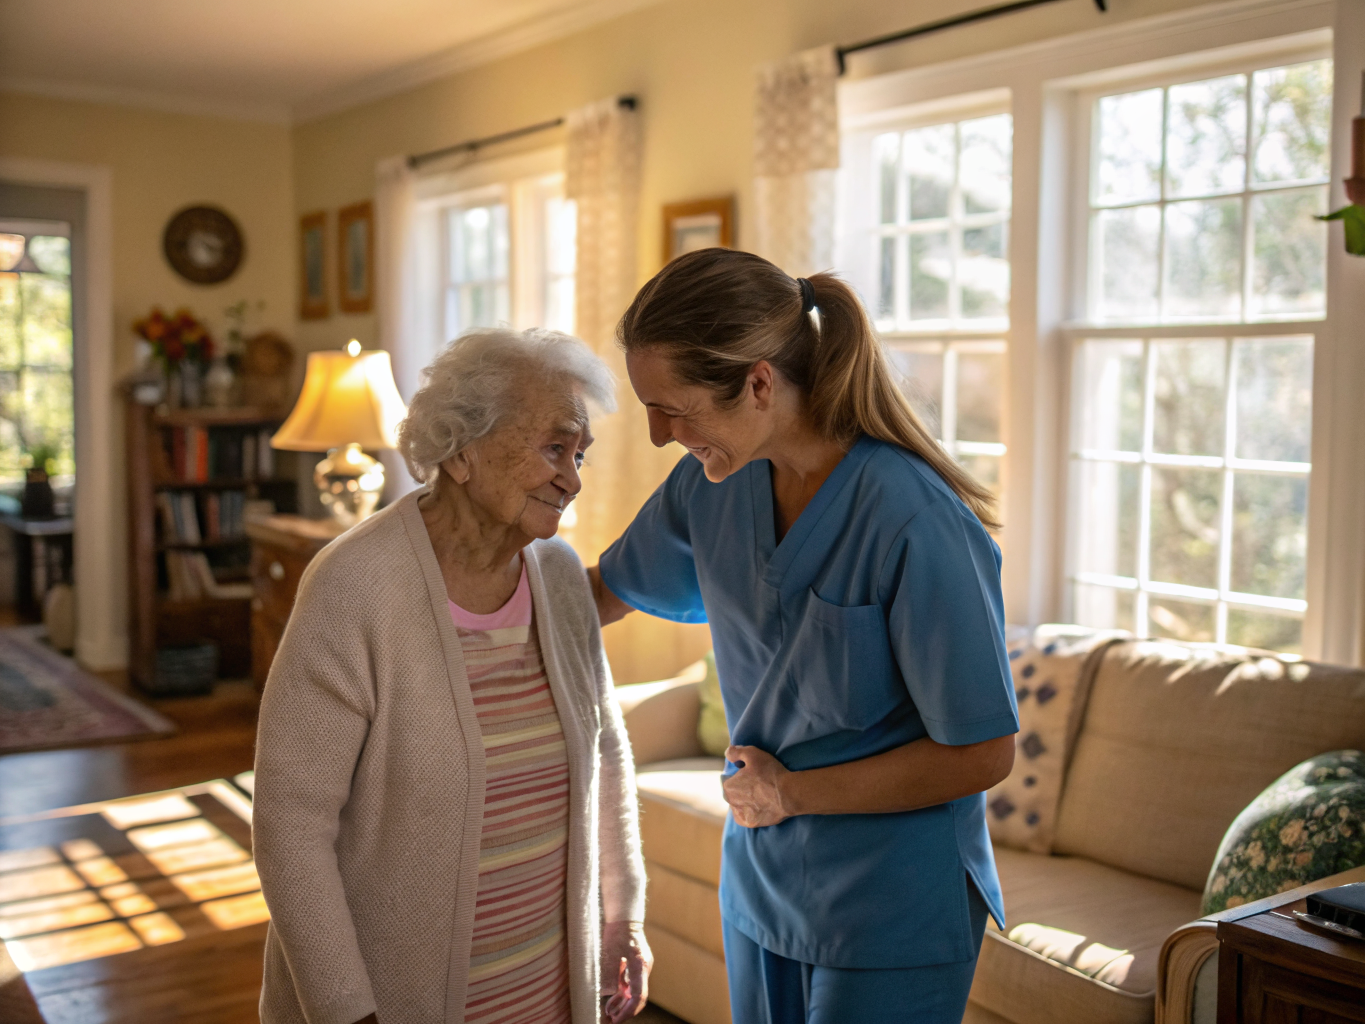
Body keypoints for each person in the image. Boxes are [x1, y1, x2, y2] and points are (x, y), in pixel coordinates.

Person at [587, 249, 1019, 1024]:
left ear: (758, 383)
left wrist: (789, 793)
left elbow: (982, 752)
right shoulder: (712, 482)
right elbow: (603, 593)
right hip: (762, 881)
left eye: (673, 407)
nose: (658, 435)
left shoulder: (914, 519)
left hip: (893, 902)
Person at [254, 328, 652, 1024]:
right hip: (391, 997)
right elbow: (291, 822)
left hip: (546, 989)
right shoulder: (355, 584)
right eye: (554, 447)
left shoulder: (557, 575)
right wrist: (346, 1011)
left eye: (579, 453)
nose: (574, 477)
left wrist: (623, 916)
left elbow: (605, 752)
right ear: (463, 450)